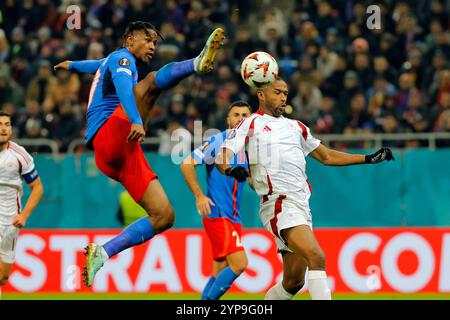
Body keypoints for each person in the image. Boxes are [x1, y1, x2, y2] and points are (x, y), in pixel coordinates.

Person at [54, 21, 225, 287]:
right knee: (149, 84)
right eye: (148, 40)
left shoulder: (111, 60)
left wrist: (72, 64)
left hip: (119, 156)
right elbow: (124, 89)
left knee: (164, 215)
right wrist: (135, 119)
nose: (153, 47)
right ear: (130, 39)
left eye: (155, 43)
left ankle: (103, 252)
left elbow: (95, 65)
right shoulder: (123, 58)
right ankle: (196, 63)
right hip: (108, 137)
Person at [215, 79, 394, 300]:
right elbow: (222, 155)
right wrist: (230, 170)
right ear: (261, 95)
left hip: (300, 205)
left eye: (286, 93)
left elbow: (326, 156)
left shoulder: (296, 126)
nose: (283, 97)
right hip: (278, 203)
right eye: (277, 92)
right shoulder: (250, 123)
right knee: (316, 256)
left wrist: (367, 158)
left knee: (293, 282)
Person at [180, 101, 251, 300]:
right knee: (239, 263)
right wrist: (199, 195)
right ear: (228, 120)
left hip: (234, 217)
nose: (240, 119)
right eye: (236, 115)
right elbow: (186, 164)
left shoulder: (249, 147)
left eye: (245, 115)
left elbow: (251, 181)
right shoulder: (217, 141)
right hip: (219, 214)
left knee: (221, 268)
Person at [0, 111, 43, 296]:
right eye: (0, 124)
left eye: (7, 124)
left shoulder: (19, 155)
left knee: (3, 278)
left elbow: (38, 188)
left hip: (9, 223)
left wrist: (24, 215)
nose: (3, 128)